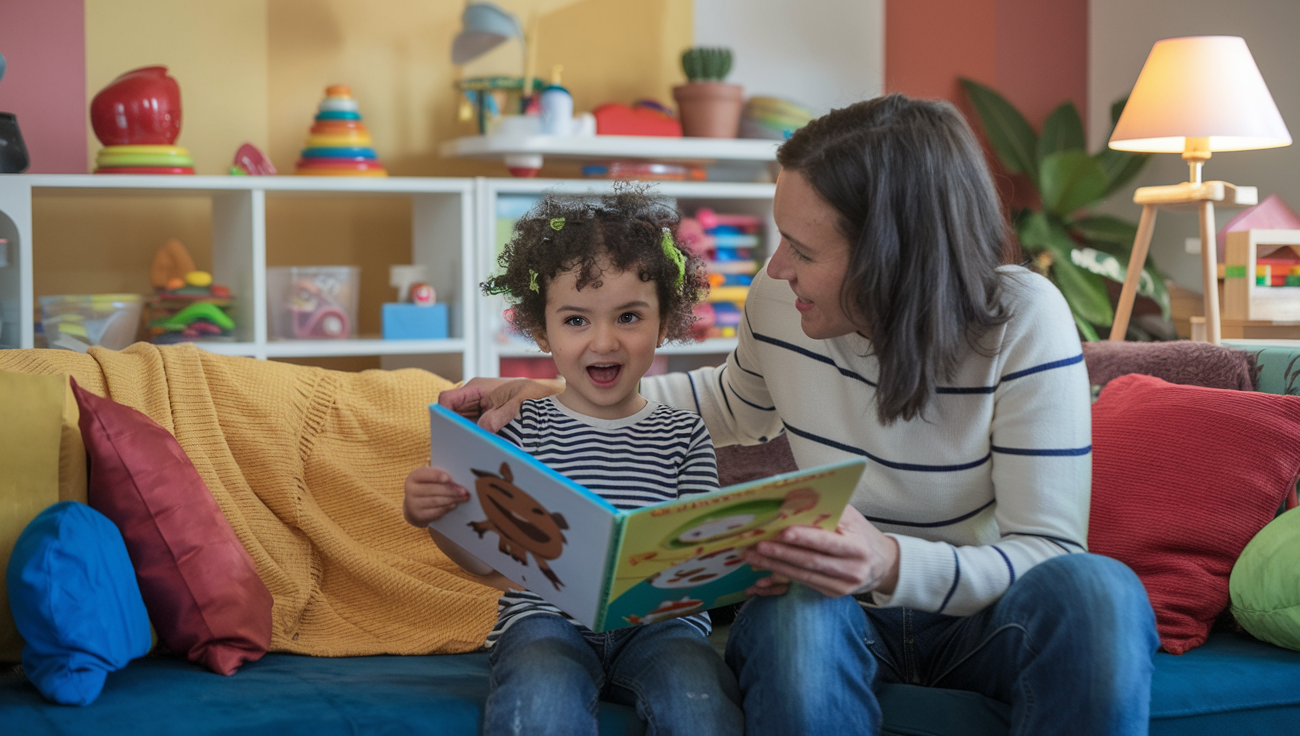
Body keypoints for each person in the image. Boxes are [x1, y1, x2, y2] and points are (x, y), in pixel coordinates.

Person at [439, 94, 1160, 736]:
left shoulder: (1023, 319)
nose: (777, 266)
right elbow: (730, 403)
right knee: (799, 603)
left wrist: (887, 561)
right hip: (834, 614)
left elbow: (1048, 553)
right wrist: (572, 399)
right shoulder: (782, 304)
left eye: (804, 248)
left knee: (1100, 591)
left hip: (979, 618)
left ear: (889, 257)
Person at [402, 188, 743, 736]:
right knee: (539, 698)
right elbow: (489, 566)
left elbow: (703, 563)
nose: (603, 341)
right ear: (542, 330)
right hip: (543, 625)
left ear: (666, 323)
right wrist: (434, 516)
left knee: (700, 700)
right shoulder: (520, 430)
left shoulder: (684, 433)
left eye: (629, 316)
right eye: (576, 320)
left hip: (663, 630)